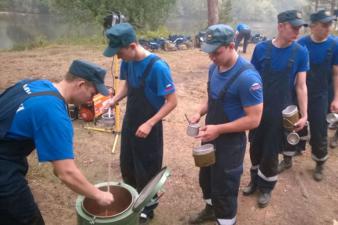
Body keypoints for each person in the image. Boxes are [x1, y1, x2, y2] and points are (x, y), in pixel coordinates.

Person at [0, 59, 114, 225]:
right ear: (81, 84)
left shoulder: (35, 84)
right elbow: (65, 173)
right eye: (93, 93)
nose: (91, 100)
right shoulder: (53, 113)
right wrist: (99, 195)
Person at [188, 24, 263, 225]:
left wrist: (219, 129)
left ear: (232, 46)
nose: (212, 57)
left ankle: (226, 221)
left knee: (225, 187)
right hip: (209, 136)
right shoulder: (214, 68)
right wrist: (198, 112)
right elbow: (212, 98)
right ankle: (211, 210)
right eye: (209, 52)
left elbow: (254, 119)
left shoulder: (248, 77)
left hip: (230, 143)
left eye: (216, 52)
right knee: (207, 179)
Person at [103, 23, 177, 224]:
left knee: (147, 168)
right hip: (131, 120)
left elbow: (172, 102)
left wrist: (150, 123)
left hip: (149, 125)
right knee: (128, 163)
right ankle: (133, 199)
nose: (118, 58)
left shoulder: (158, 67)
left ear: (133, 45)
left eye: (119, 52)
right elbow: (128, 86)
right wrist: (113, 100)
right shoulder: (128, 61)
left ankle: (148, 208)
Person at [243, 10, 309, 208]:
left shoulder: (300, 52)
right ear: (280, 26)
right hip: (257, 108)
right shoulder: (261, 49)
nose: (298, 30)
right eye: (293, 26)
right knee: (255, 146)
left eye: (300, 27)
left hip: (280, 110)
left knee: (271, 151)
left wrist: (304, 114)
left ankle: (266, 187)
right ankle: (254, 180)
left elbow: (301, 86)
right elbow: (250, 79)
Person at [278, 10, 338, 181]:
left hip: (320, 95)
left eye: (330, 25)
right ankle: (288, 157)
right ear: (312, 26)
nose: (328, 28)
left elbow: (336, 74)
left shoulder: (334, 45)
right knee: (292, 125)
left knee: (320, 130)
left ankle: (319, 162)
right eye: (324, 25)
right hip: (297, 92)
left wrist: (336, 98)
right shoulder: (301, 44)